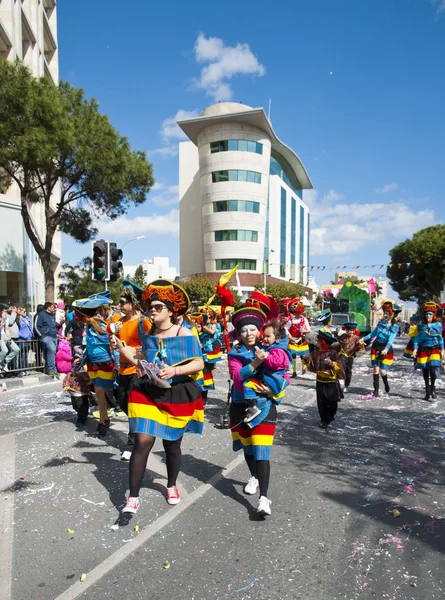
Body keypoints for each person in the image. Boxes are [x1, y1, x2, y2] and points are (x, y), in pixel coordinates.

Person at [115, 279, 205, 515]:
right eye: (150, 307)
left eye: (158, 307)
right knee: (142, 441)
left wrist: (174, 370)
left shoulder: (184, 332)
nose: (152, 311)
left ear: (171, 310)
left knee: (172, 445)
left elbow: (199, 363)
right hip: (146, 391)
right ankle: (133, 497)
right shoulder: (147, 333)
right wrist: (123, 349)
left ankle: (172, 485)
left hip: (175, 394)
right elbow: (142, 362)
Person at [228, 305, 285, 517]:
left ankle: (264, 498)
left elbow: (284, 373)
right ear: (239, 333)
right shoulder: (234, 353)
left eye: (252, 329)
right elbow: (238, 377)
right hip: (240, 406)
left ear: (259, 331)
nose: (248, 334)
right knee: (249, 450)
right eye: (243, 330)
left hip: (265, 406)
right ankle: (253, 476)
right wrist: (257, 361)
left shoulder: (271, 347)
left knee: (262, 452)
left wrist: (275, 389)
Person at [114, 280, 151, 460]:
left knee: (133, 406)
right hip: (122, 369)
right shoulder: (120, 322)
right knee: (121, 401)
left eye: (122, 302)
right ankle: (140, 428)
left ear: (132, 303)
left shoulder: (143, 321)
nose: (119, 305)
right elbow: (116, 342)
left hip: (137, 370)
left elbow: (151, 344)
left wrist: (137, 353)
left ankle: (132, 442)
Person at [72, 292, 118, 438]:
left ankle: (103, 421)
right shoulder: (89, 325)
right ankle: (104, 419)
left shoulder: (100, 323)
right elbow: (91, 346)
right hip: (92, 363)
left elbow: (110, 339)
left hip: (104, 362)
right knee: (99, 393)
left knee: (102, 393)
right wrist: (82, 358)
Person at [243, 320, 291, 425]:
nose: (265, 339)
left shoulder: (278, 350)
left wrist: (266, 356)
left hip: (273, 379)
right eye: (264, 336)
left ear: (277, 337)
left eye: (268, 336)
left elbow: (276, 362)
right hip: (271, 379)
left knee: (248, 386)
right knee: (251, 387)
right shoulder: (273, 348)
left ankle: (252, 408)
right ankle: (254, 408)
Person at [302, 330, 345, 429]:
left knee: (332, 401)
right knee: (321, 402)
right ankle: (324, 420)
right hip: (320, 381)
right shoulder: (315, 353)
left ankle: (331, 415)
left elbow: (339, 367)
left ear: (323, 342)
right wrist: (305, 360)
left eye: (318, 340)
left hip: (331, 381)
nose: (316, 342)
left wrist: (333, 364)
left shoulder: (333, 353)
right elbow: (310, 362)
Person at [363, 299, 399, 397]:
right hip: (376, 347)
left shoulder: (394, 327)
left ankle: (386, 383)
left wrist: (386, 349)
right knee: (375, 369)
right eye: (385, 313)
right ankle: (376, 390)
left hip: (386, 349)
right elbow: (372, 335)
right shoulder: (380, 324)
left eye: (388, 313)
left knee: (382, 371)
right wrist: (362, 339)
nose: (385, 315)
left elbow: (390, 340)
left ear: (392, 314)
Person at [411, 302, 445, 401]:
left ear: (434, 314)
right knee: (425, 370)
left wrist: (442, 350)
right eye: (426, 314)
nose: (428, 316)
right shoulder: (421, 325)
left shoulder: (438, 325)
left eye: (430, 314)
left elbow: (440, 339)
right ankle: (427, 391)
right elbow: (417, 339)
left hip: (434, 349)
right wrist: (415, 349)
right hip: (423, 349)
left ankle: (432, 387)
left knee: (433, 369)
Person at [63, 347, 93, 430]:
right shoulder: (71, 372)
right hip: (73, 393)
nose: (76, 363)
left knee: (82, 407)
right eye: (74, 362)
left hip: (82, 393)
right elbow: (66, 379)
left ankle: (81, 419)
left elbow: (89, 381)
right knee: (75, 406)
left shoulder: (84, 372)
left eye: (78, 362)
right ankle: (82, 415)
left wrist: (85, 377)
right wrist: (65, 386)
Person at [284, 299, 311, 378]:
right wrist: (290, 336)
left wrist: (304, 330)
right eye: (297, 313)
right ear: (294, 312)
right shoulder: (291, 320)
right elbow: (285, 328)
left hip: (301, 340)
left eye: (300, 313)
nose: (299, 314)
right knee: (293, 355)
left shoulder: (304, 320)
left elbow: (309, 330)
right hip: (293, 340)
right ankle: (294, 371)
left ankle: (303, 368)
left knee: (302, 355)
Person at [337, 322, 365, 392]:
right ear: (346, 330)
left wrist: (360, 345)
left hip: (351, 356)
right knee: (342, 367)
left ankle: (346, 384)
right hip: (343, 354)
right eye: (349, 330)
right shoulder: (342, 336)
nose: (351, 332)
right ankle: (341, 382)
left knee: (348, 371)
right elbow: (336, 344)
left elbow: (361, 348)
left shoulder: (356, 338)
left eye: (353, 330)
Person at [35, 302, 59, 378]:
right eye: (52, 307)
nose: (54, 308)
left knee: (51, 352)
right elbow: (36, 326)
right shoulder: (41, 315)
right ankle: (51, 369)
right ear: (48, 307)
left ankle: (52, 369)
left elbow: (53, 325)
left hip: (54, 336)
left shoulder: (52, 315)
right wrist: (42, 335)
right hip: (46, 336)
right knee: (52, 350)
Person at [0, 303, 20, 376]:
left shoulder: (6, 318)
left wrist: (9, 338)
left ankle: (4, 363)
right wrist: (2, 319)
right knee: (4, 350)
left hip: (4, 334)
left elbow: (6, 328)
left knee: (16, 349)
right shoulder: (2, 317)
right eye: (4, 311)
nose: (5, 313)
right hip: (0, 335)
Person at [17, 307, 33, 375]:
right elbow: (17, 330)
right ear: (20, 312)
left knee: (26, 355)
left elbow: (30, 326)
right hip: (22, 339)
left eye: (26, 311)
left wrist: (31, 334)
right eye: (24, 311)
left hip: (29, 339)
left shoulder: (27, 318)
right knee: (22, 355)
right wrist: (23, 336)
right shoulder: (18, 319)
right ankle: (21, 369)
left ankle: (26, 369)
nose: (25, 312)